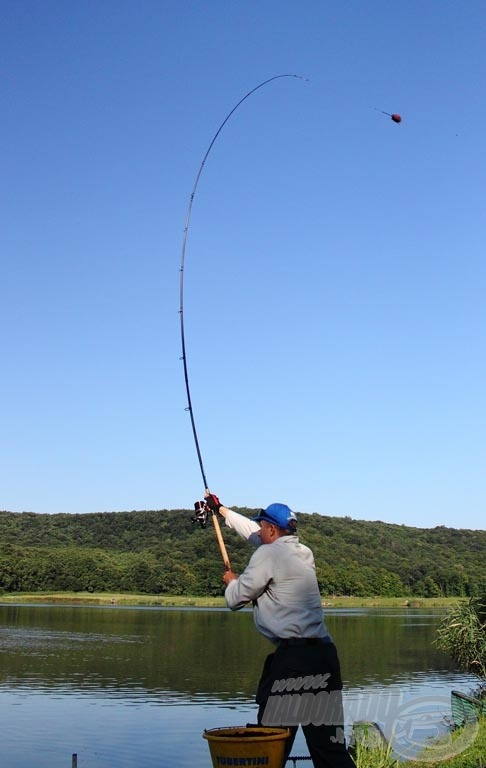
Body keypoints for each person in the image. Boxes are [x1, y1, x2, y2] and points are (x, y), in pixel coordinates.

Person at [204, 491, 356, 768]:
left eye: (263, 527)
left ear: (272, 529)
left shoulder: (268, 554)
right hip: (323, 657)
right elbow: (255, 534)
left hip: (293, 663)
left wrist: (231, 580)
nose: (259, 531)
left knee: (269, 743)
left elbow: (235, 599)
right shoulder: (301, 551)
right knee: (329, 748)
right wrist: (222, 511)